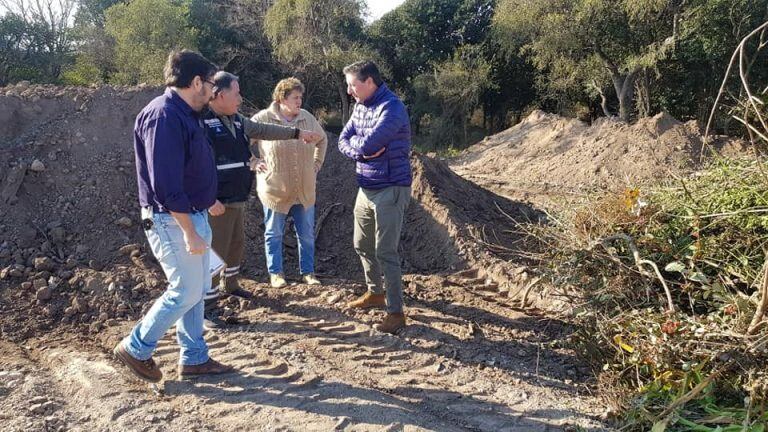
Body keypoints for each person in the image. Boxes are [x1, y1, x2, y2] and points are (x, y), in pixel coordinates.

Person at [113, 50, 233, 382]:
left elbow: (189, 167)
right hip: (172, 220)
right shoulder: (162, 117)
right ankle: (136, 347)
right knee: (185, 289)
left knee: (197, 286)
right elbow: (165, 185)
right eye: (210, 83)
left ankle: (194, 358)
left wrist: (205, 201)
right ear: (196, 82)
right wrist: (189, 232)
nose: (213, 90)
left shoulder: (187, 113)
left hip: (192, 215)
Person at [201, 72, 321, 327]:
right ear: (220, 95)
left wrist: (296, 133)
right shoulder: (202, 121)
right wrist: (208, 198)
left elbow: (265, 131)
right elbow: (195, 165)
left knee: (235, 245)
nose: (241, 98)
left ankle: (230, 284)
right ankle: (207, 305)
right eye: (236, 93)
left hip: (235, 196)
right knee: (215, 251)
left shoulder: (236, 120)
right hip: (216, 200)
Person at [338, 61, 412, 334]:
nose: (349, 91)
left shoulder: (392, 108)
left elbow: (369, 142)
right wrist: (362, 151)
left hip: (391, 188)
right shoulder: (360, 107)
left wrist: (362, 146)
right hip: (366, 186)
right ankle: (375, 293)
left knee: (386, 252)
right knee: (361, 244)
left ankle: (395, 313)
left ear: (369, 82)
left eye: (352, 84)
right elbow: (343, 141)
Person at [251, 77, 328, 288]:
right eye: (295, 97)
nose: (299, 101)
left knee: (306, 234)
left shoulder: (307, 119)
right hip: (275, 190)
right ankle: (276, 274)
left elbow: (322, 139)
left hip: (304, 189)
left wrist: (317, 162)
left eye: (301, 97)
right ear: (281, 98)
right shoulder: (262, 119)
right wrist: (253, 161)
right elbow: (241, 141)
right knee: (274, 233)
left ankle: (308, 273)